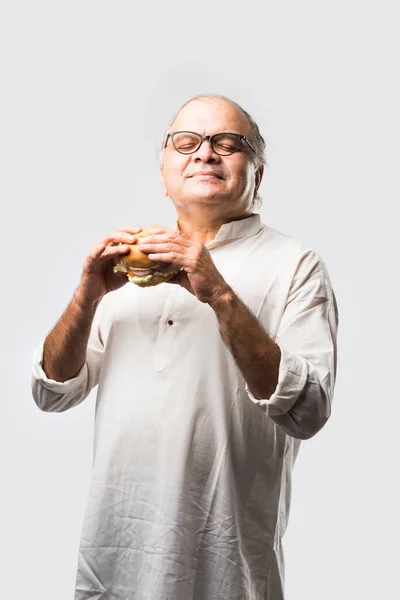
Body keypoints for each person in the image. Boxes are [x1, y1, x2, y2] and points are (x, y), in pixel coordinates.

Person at [32, 93, 339, 600]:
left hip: (227, 572)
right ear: (163, 173)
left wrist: (218, 292)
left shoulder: (296, 265)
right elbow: (52, 392)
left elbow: (307, 412)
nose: (204, 153)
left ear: (257, 174)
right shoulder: (126, 264)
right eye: (187, 142)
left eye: (226, 143)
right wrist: (86, 297)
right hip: (112, 566)